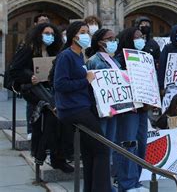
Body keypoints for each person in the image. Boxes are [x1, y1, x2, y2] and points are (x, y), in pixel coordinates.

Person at [54, 21, 112, 191]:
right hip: (74, 109)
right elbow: (60, 84)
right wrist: (85, 80)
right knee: (102, 149)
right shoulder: (66, 56)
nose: (86, 35)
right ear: (74, 36)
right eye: (82, 32)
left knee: (89, 152)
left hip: (81, 107)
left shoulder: (80, 55)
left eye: (87, 32)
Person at [9, 23, 72, 172]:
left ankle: (53, 155)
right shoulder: (29, 50)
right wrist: (29, 77)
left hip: (50, 90)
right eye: (46, 33)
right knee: (51, 117)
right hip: (34, 91)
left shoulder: (55, 51)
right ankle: (43, 153)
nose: (49, 36)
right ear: (39, 34)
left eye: (52, 33)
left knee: (56, 120)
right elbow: (14, 70)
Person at [114, 27, 149, 192]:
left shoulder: (145, 57)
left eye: (142, 36)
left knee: (141, 144)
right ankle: (126, 182)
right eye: (137, 37)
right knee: (128, 143)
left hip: (143, 107)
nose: (141, 39)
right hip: (129, 109)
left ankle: (136, 180)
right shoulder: (120, 59)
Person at [85, 29, 120, 151]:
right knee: (102, 143)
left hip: (114, 108)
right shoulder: (94, 61)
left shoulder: (114, 60)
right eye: (110, 39)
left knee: (111, 143)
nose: (113, 42)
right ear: (100, 43)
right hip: (101, 110)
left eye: (115, 39)